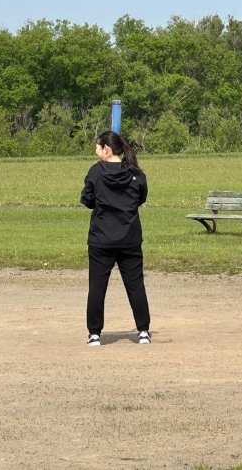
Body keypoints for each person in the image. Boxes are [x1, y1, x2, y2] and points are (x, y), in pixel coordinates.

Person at [80, 131, 151, 346]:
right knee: (135, 285)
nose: (96, 151)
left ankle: (94, 334)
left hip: (101, 238)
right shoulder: (136, 173)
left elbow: (87, 199)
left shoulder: (96, 172)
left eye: (97, 147)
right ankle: (143, 331)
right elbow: (140, 198)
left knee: (97, 287)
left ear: (106, 149)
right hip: (129, 237)